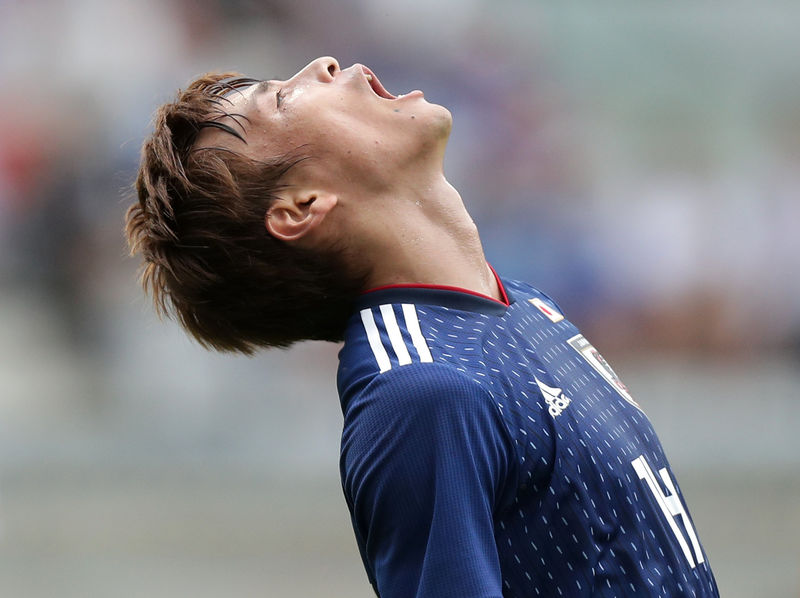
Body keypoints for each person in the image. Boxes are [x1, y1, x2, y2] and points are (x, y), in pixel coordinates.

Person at [126, 56, 720, 597]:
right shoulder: (420, 391)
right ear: (301, 206)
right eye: (281, 99)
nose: (324, 64)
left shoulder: (524, 307)